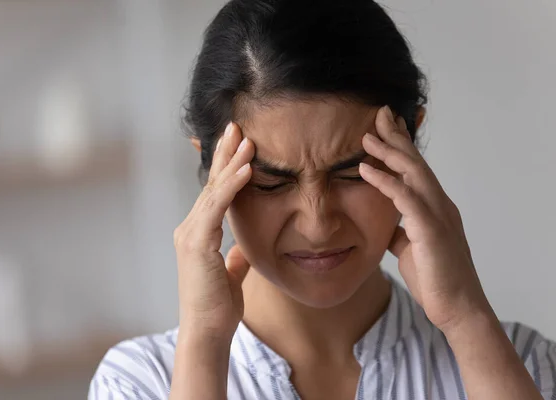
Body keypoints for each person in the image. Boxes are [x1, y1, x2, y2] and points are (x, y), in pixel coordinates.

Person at [89, 0, 556, 399]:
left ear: (410, 145)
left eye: (353, 172)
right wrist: (204, 345)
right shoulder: (139, 382)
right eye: (271, 182)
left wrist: (468, 319)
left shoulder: (523, 366)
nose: (317, 225)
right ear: (213, 174)